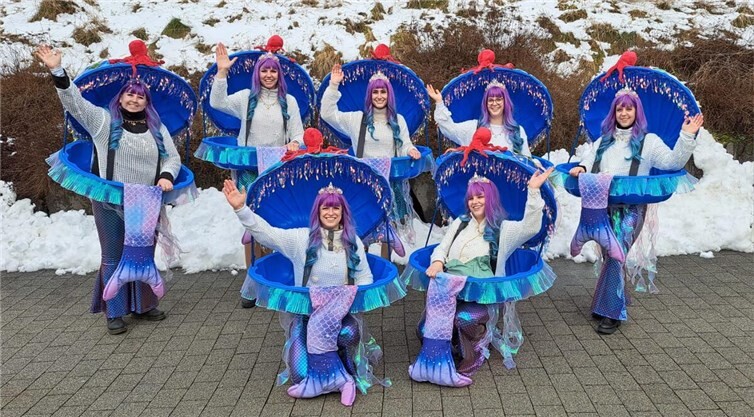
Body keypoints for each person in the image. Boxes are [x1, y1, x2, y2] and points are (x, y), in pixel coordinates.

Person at [36, 45, 180, 335]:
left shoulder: (157, 128)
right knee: (114, 254)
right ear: (121, 97)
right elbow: (74, 103)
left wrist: (166, 175)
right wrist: (57, 71)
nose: (134, 99)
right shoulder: (103, 121)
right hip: (110, 200)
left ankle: (143, 305)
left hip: (146, 201)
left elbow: (172, 158)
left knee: (142, 253)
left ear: (146, 101)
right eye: (130, 94)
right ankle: (114, 311)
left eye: (140, 96)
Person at [222, 179, 372, 405]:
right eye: (326, 207)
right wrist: (241, 209)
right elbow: (267, 234)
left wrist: (350, 296)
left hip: (339, 314)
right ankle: (330, 375)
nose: (331, 213)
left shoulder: (353, 242)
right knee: (299, 375)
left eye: (336, 208)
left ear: (343, 212)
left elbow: (365, 277)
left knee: (349, 334)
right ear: (318, 211)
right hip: (306, 314)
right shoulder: (301, 239)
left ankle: (344, 375)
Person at [569, 88, 703, 334]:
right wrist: (581, 168)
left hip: (632, 210)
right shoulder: (604, 140)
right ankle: (606, 300)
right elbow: (588, 160)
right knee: (610, 256)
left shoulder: (649, 142)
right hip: (602, 208)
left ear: (636, 111)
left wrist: (686, 136)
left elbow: (672, 162)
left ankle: (612, 313)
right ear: (614, 112)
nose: (624, 113)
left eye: (628, 108)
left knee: (616, 253)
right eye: (619, 109)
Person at [418, 166, 552, 382]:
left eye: (480, 196)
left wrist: (534, 191)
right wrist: (437, 262)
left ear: (490, 198)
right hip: (450, 289)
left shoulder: (503, 229)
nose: (475, 202)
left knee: (463, 320)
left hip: (481, 296)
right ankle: (447, 351)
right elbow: (442, 248)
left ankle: (473, 353)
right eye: (471, 198)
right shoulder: (460, 223)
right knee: (424, 328)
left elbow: (530, 227)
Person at [210, 42, 305, 306]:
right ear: (257, 73)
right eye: (264, 70)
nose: (269, 75)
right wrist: (222, 72)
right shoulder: (245, 99)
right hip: (250, 171)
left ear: (279, 74)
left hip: (277, 172)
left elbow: (298, 133)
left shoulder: (289, 102)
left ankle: (275, 278)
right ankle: (252, 284)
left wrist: (295, 142)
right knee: (251, 225)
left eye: (273, 71)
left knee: (276, 223)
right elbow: (217, 102)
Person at [321, 64, 421, 160]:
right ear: (370, 95)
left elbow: (405, 145)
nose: (379, 96)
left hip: (392, 172)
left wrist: (411, 150)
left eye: (383, 92)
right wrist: (333, 85)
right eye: (375, 92)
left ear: (389, 95)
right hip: (363, 172)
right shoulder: (356, 119)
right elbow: (327, 114)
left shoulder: (398, 120)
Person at [427, 80, 532, 156]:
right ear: (486, 104)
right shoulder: (473, 127)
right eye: (490, 100)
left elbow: (527, 160)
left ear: (506, 103)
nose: (494, 103)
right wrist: (439, 102)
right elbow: (450, 128)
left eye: (499, 99)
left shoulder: (518, 131)